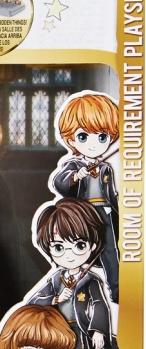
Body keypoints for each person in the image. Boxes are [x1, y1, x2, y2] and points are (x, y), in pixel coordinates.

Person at [28, 198, 121, 349]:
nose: (69, 255)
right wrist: (55, 300)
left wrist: (98, 330)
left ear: (92, 245)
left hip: (78, 334)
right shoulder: (55, 280)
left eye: (79, 245)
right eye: (59, 247)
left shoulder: (90, 279)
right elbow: (33, 303)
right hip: (55, 336)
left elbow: (100, 305)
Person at [52, 92, 119, 302]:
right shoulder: (73, 165)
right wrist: (75, 177)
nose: (93, 144)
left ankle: (117, 289)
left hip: (103, 213)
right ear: (71, 138)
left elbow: (111, 194)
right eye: (83, 137)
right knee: (75, 249)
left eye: (102, 137)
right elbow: (60, 183)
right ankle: (66, 285)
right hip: (83, 214)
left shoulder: (105, 167)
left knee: (110, 251)